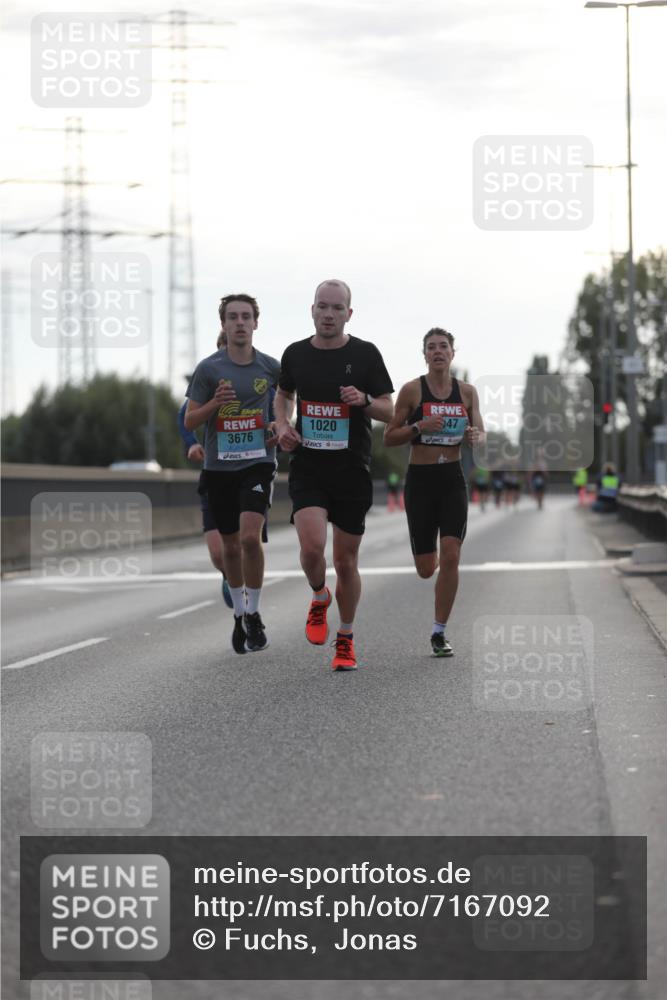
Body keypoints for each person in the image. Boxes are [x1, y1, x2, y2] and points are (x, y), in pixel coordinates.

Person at [274, 278, 394, 671]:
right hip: (309, 466)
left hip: (351, 470)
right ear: (312, 310)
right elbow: (283, 394)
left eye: (336, 308)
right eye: (322, 307)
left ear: (348, 313)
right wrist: (282, 425)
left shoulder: (365, 355)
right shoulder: (294, 354)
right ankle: (318, 594)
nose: (328, 314)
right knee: (311, 549)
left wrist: (363, 400)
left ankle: (345, 637)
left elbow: (389, 410)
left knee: (345, 561)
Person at [185, 293, 280, 655]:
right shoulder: (209, 370)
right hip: (219, 467)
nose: (240, 322)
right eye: (233, 317)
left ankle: (254, 613)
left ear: (256, 323)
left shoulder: (271, 367)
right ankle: (239, 615)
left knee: (249, 540)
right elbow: (191, 420)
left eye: (246, 317)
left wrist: (280, 426)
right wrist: (215, 404)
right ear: (223, 324)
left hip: (257, 462)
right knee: (228, 546)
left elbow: (287, 402)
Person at [384, 327, 484, 657]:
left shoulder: (467, 392)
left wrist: (474, 437)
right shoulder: (412, 391)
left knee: (452, 555)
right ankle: (434, 554)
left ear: (453, 354)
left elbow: (479, 433)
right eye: (431, 347)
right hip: (421, 481)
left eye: (443, 347)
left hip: (451, 478)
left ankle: (439, 632)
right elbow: (390, 436)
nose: (438, 351)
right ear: (424, 355)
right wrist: (419, 427)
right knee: (427, 569)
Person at [177, 332, 233, 609]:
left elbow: (277, 414)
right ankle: (228, 575)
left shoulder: (258, 378)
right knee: (218, 552)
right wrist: (192, 444)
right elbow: (183, 416)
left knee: (245, 542)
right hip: (214, 470)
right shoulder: (209, 382)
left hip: (251, 471)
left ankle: (248, 597)